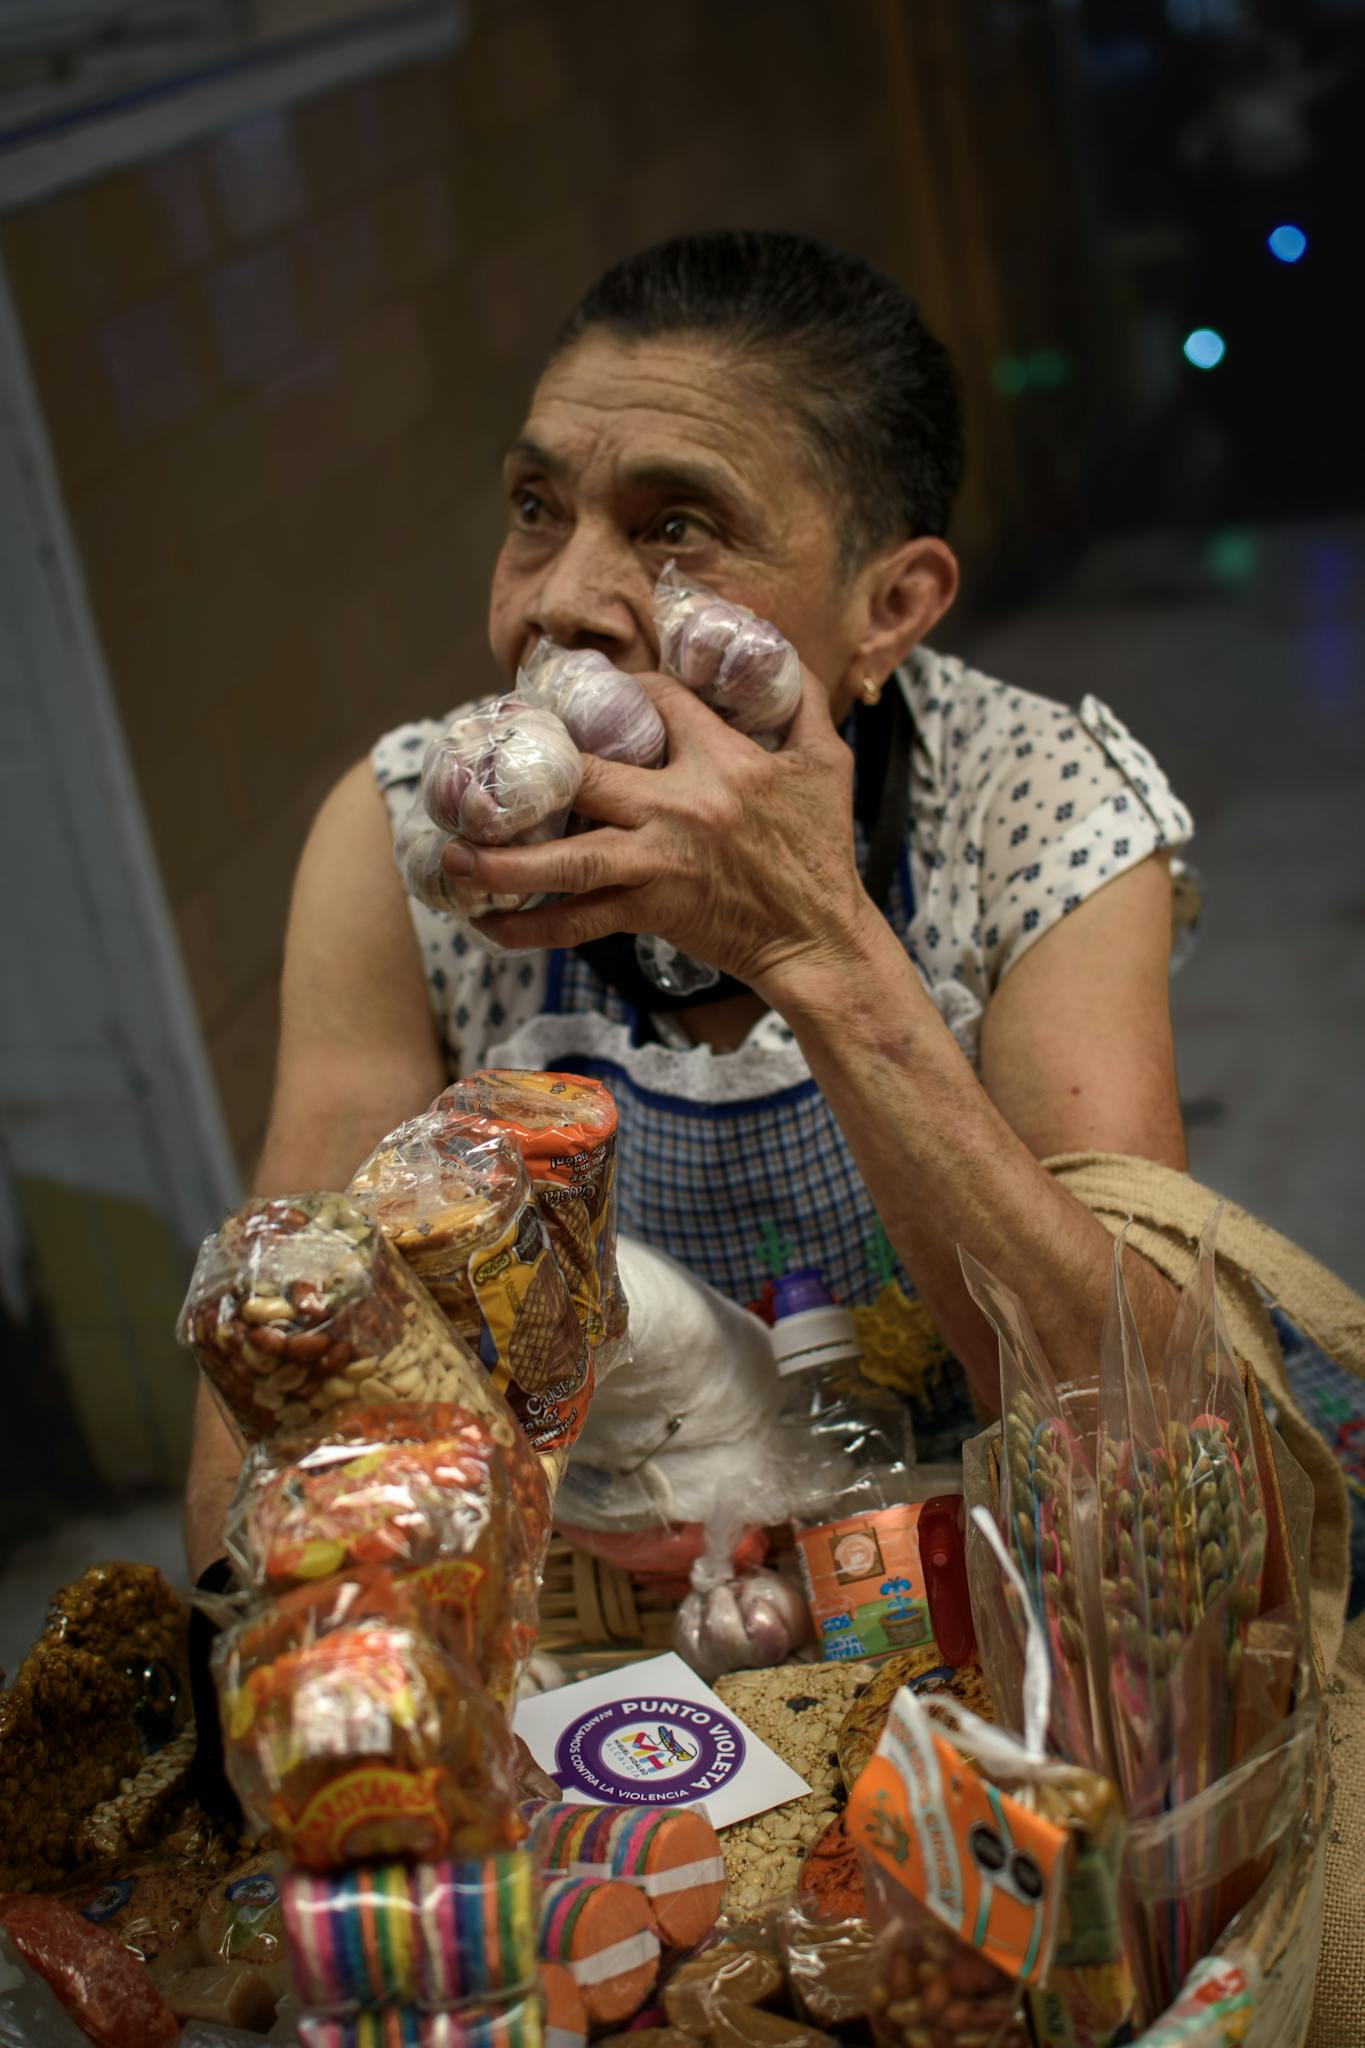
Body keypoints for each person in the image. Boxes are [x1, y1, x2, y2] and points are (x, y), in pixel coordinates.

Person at [186, 231, 1192, 1577]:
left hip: (999, 1571)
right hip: (598, 1609)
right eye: (537, 508)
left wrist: (809, 943)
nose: (560, 603)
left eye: (674, 528)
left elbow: (1149, 1440)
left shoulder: (1038, 810)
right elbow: (286, 1385)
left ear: (888, 607)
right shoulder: (401, 844)